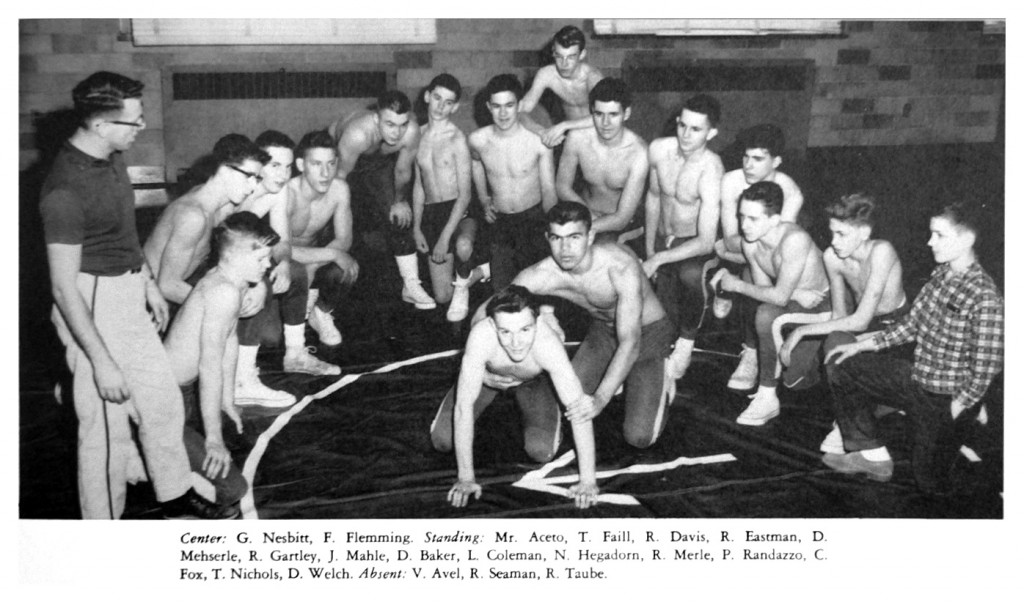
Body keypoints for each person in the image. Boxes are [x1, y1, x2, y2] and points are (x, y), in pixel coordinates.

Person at [40, 71, 233, 519]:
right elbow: (63, 288)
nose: (142, 127)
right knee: (105, 432)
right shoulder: (63, 192)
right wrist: (101, 361)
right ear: (100, 125)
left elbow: (125, 231)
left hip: (126, 292)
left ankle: (174, 492)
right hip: (90, 302)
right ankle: (104, 527)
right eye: (133, 121)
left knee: (161, 402)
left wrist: (146, 281)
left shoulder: (110, 157)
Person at [823, 202, 1003, 493]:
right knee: (842, 365)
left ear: (967, 239)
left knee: (930, 484)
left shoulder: (984, 295)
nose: (930, 242)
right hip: (918, 379)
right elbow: (911, 325)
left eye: (939, 235)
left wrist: (959, 406)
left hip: (947, 398)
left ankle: (969, 427)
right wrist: (862, 345)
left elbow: (987, 365)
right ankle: (871, 455)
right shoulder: (941, 275)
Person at [487, 202, 676, 449]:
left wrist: (600, 399)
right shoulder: (543, 273)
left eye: (574, 237)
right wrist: (485, 372)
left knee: (639, 437)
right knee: (570, 402)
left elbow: (631, 341)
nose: (565, 249)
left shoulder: (619, 265)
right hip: (603, 332)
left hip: (648, 335)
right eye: (557, 238)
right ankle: (618, 378)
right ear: (547, 239)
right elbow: (488, 311)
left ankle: (662, 378)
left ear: (590, 236)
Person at [144, 134, 297, 408]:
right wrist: (228, 305)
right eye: (250, 177)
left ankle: (236, 382)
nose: (254, 187)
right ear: (225, 170)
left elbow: (231, 262)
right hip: (150, 307)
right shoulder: (194, 214)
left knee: (246, 296)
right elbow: (166, 285)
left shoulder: (217, 206)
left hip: (169, 297)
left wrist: (256, 284)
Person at [431, 285, 599, 509]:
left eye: (525, 330)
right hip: (488, 379)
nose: (516, 342)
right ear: (492, 325)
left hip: (533, 382)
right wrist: (466, 478)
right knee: (442, 440)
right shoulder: (481, 336)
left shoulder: (548, 345)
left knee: (541, 451)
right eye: (505, 332)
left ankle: (549, 409)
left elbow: (579, 410)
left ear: (538, 322)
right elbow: (463, 407)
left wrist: (588, 481)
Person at [163, 212, 279, 514]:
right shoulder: (223, 292)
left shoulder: (233, 280)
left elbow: (229, 340)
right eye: (262, 259)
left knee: (219, 454)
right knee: (233, 490)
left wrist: (227, 399)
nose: (268, 265)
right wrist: (213, 438)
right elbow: (209, 367)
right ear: (235, 257)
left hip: (182, 392)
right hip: (162, 399)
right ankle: (143, 456)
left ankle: (160, 458)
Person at [778, 193, 907, 452]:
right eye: (832, 233)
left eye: (842, 234)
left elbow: (859, 321)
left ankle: (850, 425)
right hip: (865, 324)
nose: (834, 241)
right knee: (820, 357)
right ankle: (859, 409)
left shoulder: (881, 251)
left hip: (897, 329)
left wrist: (800, 332)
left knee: (845, 354)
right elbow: (839, 316)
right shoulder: (832, 256)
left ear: (864, 232)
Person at [710, 181, 830, 426]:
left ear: (774, 220)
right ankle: (768, 394)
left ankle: (774, 388)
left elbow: (778, 297)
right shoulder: (750, 242)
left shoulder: (794, 239)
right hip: (798, 299)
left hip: (824, 304)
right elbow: (765, 290)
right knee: (765, 313)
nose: (744, 226)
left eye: (753, 219)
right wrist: (794, 294)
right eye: (742, 217)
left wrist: (736, 285)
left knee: (796, 381)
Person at [233, 130, 340, 378]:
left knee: (296, 272)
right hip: (209, 271)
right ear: (257, 164)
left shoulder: (278, 191)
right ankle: (242, 377)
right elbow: (225, 255)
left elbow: (282, 241)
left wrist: (282, 262)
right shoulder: (237, 192)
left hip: (242, 260)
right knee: (259, 301)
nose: (283, 175)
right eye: (275, 166)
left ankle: (296, 354)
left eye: (288, 166)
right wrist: (257, 283)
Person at [642, 94, 725, 382]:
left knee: (689, 276)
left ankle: (687, 343)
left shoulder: (711, 170)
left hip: (695, 245)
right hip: (663, 237)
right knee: (660, 313)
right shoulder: (659, 150)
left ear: (711, 133)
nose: (686, 135)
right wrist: (649, 249)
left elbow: (706, 241)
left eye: (696, 129)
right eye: (682, 126)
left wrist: (658, 258)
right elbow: (653, 198)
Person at [329, 90, 434, 309]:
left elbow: (402, 171)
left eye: (402, 124)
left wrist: (399, 201)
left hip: (376, 162)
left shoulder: (411, 132)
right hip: (340, 163)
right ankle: (317, 298)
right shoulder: (358, 134)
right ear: (376, 119)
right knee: (332, 220)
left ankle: (411, 284)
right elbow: (339, 180)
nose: (397, 132)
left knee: (400, 216)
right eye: (390, 124)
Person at [469, 74, 557, 291]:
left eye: (509, 105)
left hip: (534, 219)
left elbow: (548, 190)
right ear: (488, 107)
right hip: (501, 222)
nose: (503, 113)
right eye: (497, 106)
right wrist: (483, 198)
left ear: (519, 106)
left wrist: (552, 225)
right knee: (503, 291)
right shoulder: (478, 139)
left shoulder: (538, 142)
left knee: (537, 289)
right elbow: (476, 163)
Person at [412, 74, 489, 322]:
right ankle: (480, 272)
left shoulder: (457, 140)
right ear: (427, 96)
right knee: (442, 296)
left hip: (459, 210)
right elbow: (419, 186)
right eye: (437, 98)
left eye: (448, 102)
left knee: (463, 246)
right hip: (432, 211)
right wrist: (417, 227)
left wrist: (444, 239)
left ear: (455, 107)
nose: (440, 106)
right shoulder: (416, 137)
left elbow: (465, 195)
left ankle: (464, 283)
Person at [713, 124, 805, 318]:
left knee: (755, 283)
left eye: (757, 159)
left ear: (776, 161)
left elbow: (775, 249)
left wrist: (728, 254)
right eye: (746, 157)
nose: (748, 165)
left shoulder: (791, 193)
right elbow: (730, 239)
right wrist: (730, 252)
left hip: (765, 258)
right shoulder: (731, 181)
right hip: (745, 250)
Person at [555, 77, 648, 252]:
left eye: (613, 115)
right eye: (599, 114)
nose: (605, 123)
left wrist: (583, 228)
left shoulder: (638, 153)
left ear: (626, 113)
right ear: (592, 111)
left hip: (620, 224)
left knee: (596, 252)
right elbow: (562, 186)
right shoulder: (577, 138)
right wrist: (585, 217)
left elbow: (622, 218)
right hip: (582, 211)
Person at [285, 130, 360, 347]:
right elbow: (281, 248)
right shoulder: (287, 194)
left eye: (331, 164)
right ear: (301, 165)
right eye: (316, 164)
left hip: (312, 257)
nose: (325, 173)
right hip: (282, 262)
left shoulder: (339, 189)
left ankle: (321, 312)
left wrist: (313, 265)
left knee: (347, 269)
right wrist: (332, 255)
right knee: (271, 337)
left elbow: (344, 240)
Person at [519, 24, 605, 148]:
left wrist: (564, 125)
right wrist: (541, 132)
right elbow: (520, 111)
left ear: (582, 54)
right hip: (572, 137)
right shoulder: (546, 75)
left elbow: (604, 115)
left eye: (571, 57)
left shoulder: (592, 77)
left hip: (600, 135)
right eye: (559, 56)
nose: (564, 64)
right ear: (553, 53)